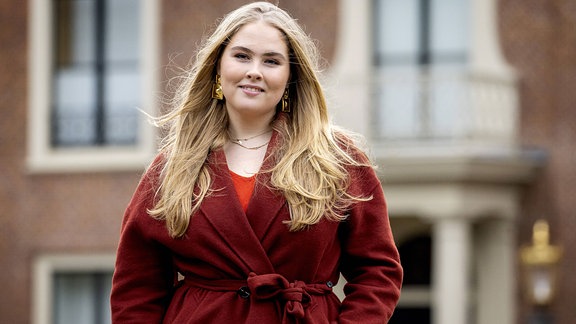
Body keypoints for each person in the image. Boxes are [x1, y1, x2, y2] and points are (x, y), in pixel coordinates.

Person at [110, 2, 402, 323]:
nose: (254, 70)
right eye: (242, 56)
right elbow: (136, 288)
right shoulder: (172, 167)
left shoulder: (337, 159)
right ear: (218, 68)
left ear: (290, 77)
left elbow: (377, 272)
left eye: (272, 61)